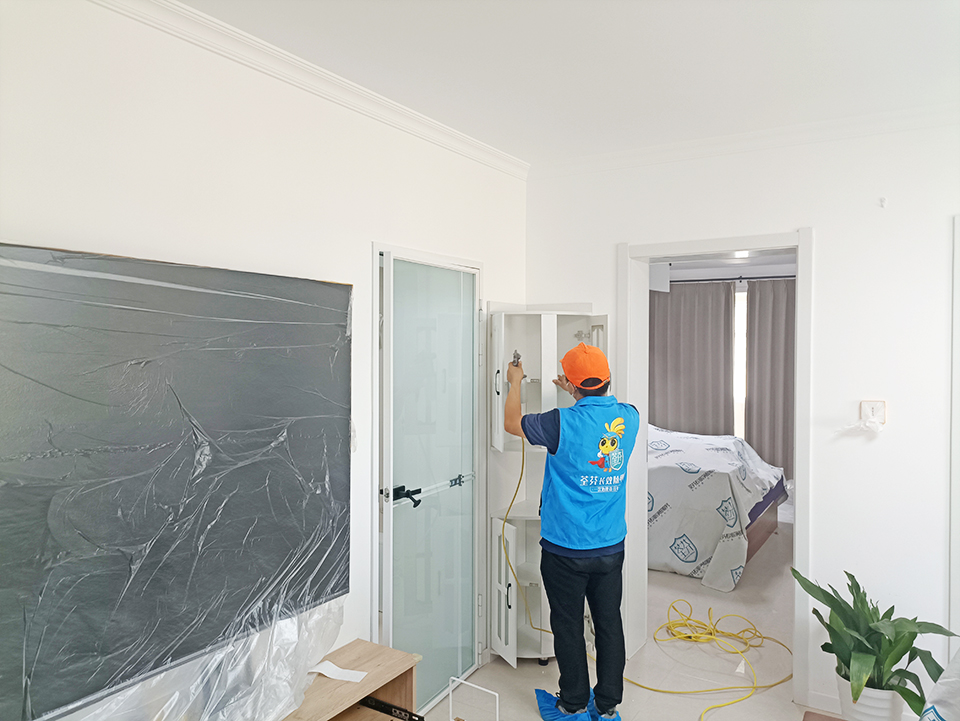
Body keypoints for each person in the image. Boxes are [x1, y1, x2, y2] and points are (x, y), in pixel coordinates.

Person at [505, 343, 639, 721]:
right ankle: (608, 704)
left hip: (565, 548)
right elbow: (595, 412)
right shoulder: (629, 417)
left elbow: (511, 423)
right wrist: (579, 392)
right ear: (608, 379)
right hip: (610, 547)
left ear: (570, 383)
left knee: (568, 626)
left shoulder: (559, 423)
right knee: (609, 623)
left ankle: (574, 702)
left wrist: (515, 381)